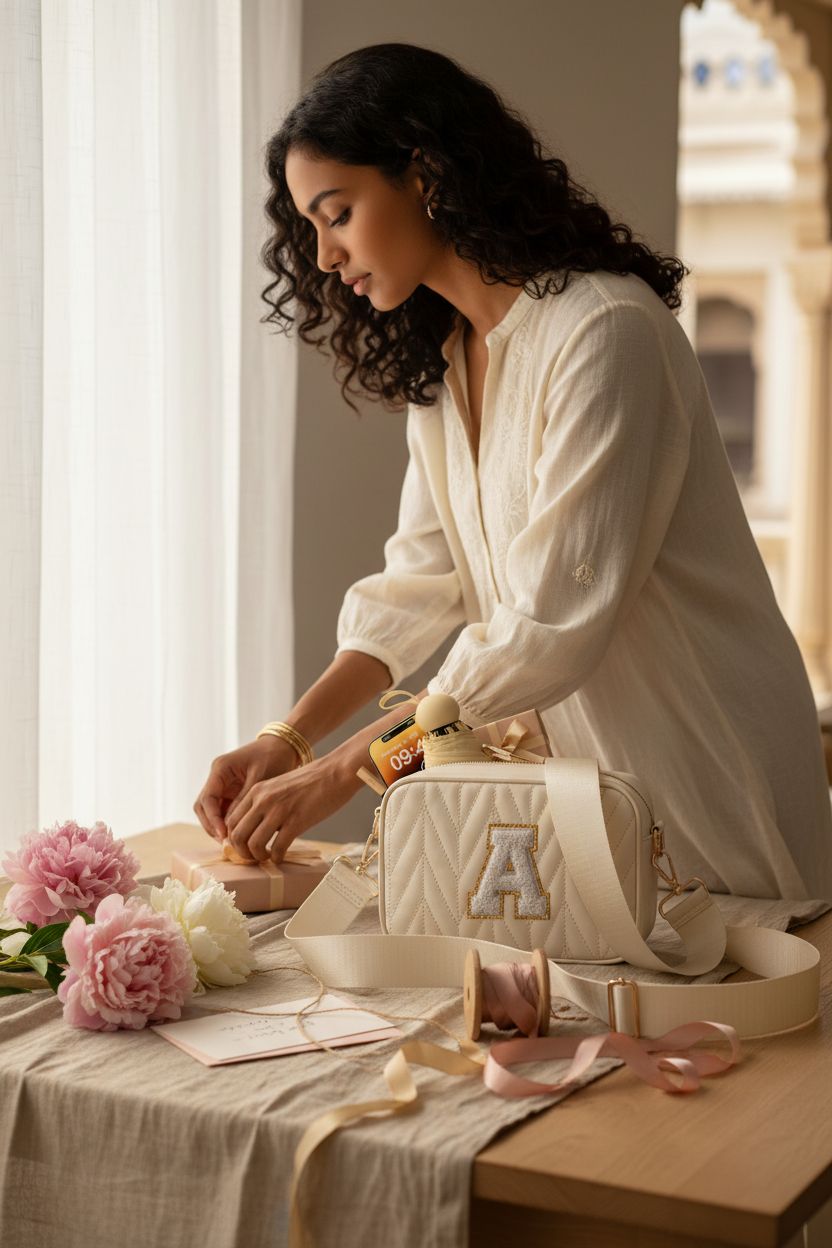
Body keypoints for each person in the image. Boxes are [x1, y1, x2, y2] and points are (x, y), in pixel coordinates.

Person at [194, 42, 832, 902]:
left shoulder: (604, 333)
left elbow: (544, 629)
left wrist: (347, 772)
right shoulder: (449, 363)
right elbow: (418, 586)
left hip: (705, 763)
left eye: (336, 214)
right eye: (311, 227)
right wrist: (289, 740)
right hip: (585, 789)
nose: (325, 257)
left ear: (423, 173)